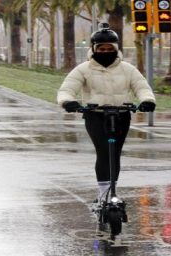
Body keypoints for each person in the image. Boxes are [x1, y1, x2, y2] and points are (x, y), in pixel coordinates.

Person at [57, 23, 156, 211]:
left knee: (115, 153)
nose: (105, 51)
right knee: (103, 151)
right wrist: (68, 102)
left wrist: (147, 100)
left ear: (116, 48)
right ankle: (103, 195)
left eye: (109, 48)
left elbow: (141, 87)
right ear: (93, 49)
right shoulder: (83, 69)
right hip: (96, 116)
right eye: (101, 48)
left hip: (121, 115)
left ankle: (113, 193)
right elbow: (67, 89)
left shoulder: (128, 69)